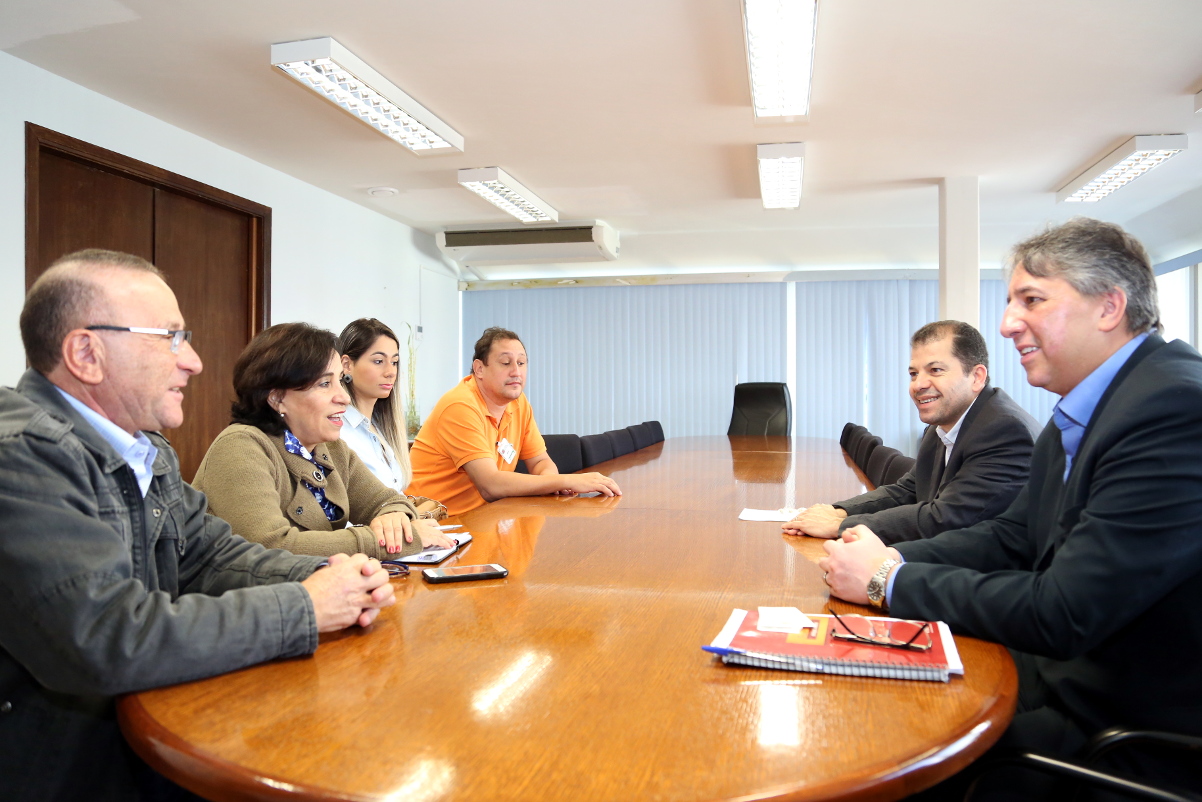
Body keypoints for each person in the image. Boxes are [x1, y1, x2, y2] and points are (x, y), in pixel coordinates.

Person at [819, 218, 1202, 796]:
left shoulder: (1172, 408)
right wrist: (881, 554)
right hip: (1059, 674)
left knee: (881, 751)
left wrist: (886, 582)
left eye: (1032, 300)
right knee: (860, 686)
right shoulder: (1083, 408)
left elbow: (1065, 609)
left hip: (1117, 725)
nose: (1006, 324)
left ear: (1109, 306)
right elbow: (1011, 536)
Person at [0, 249, 398, 802]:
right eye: (170, 339)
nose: (193, 362)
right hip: (67, 771)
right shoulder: (20, 457)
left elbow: (212, 555)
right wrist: (306, 607)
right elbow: (106, 636)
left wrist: (332, 573)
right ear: (86, 353)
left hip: (148, 732)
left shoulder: (148, 451)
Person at [193, 323, 454, 558]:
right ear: (276, 398)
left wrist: (393, 517)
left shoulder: (330, 448)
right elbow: (270, 548)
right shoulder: (240, 447)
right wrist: (388, 541)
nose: (344, 397)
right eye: (324, 384)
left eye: (340, 381)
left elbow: (387, 500)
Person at [784, 321, 1041, 544]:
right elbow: (906, 491)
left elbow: (947, 518)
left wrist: (839, 527)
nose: (918, 385)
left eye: (936, 370)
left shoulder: (1004, 431)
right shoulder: (942, 426)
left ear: (976, 377)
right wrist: (839, 511)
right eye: (913, 373)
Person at [408, 327, 622, 516]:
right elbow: (490, 485)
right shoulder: (460, 406)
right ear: (479, 369)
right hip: (441, 523)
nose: (516, 372)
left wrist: (550, 483)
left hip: (489, 515)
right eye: (505, 363)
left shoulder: (518, 404)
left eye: (521, 363)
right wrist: (565, 481)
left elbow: (540, 462)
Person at [336, 318, 414, 494]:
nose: (390, 372)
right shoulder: (336, 430)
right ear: (346, 365)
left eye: (394, 362)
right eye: (378, 361)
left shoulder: (381, 426)